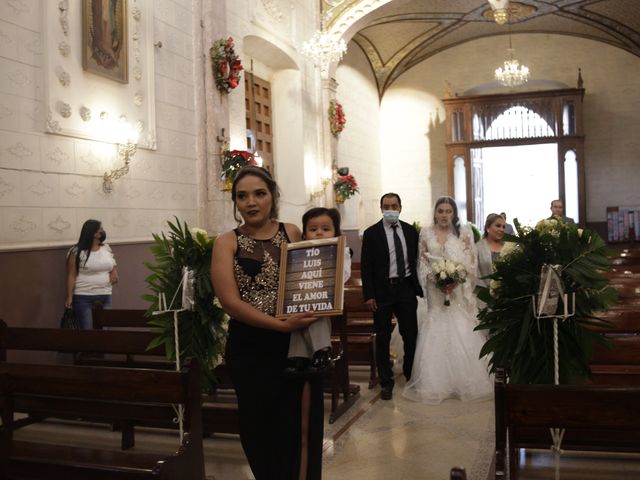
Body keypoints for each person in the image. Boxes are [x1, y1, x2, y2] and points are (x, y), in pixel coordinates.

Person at [210, 166, 322, 480]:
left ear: (272, 195)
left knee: (296, 427)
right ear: (235, 203)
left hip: (295, 347)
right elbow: (230, 303)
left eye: (259, 193)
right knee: (258, 429)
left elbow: (312, 278)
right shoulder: (226, 242)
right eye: (242, 196)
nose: (251, 202)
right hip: (249, 349)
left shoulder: (292, 232)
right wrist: (279, 325)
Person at [403, 196, 492, 404]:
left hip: (457, 289)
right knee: (436, 326)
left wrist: (455, 280)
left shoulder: (463, 233)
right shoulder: (425, 233)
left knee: (459, 325)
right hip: (436, 290)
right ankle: (436, 382)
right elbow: (422, 260)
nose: (444, 215)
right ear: (435, 213)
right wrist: (435, 279)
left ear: (454, 213)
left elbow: (470, 262)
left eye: (448, 211)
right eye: (441, 211)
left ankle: (464, 381)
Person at [361, 193, 423, 401]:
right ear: (381, 209)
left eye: (394, 206)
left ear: (400, 208)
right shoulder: (372, 233)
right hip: (382, 292)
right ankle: (386, 382)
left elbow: (417, 260)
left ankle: (410, 374)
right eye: (386, 206)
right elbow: (366, 266)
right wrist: (369, 295)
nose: (390, 209)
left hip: (405, 289)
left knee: (411, 335)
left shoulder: (410, 231)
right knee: (383, 337)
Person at [288, 207, 351, 371]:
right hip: (304, 296)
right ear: (304, 234)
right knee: (299, 315)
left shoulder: (340, 251)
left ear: (336, 233)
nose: (319, 233)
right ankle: (298, 356)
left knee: (317, 313)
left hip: (327, 299)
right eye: (313, 229)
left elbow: (344, 275)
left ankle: (322, 350)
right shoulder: (299, 252)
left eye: (326, 229)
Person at [65, 219, 118, 329]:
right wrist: (69, 297)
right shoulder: (76, 251)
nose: (103, 232)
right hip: (83, 296)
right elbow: (71, 275)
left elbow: (112, 267)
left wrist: (114, 274)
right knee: (87, 330)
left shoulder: (106, 248)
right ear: (93, 233)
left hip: (105, 294)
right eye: (100, 230)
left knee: (106, 330)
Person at [477, 213, 507, 285]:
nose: (501, 229)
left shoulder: (508, 248)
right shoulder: (477, 248)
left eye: (503, 227)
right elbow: (475, 274)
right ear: (488, 228)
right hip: (483, 292)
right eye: (498, 226)